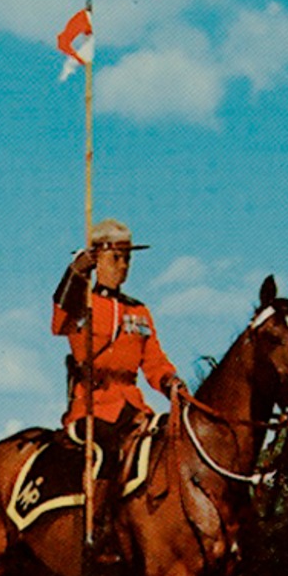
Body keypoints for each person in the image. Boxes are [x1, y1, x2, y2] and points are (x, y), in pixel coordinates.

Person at [51, 219, 184, 554]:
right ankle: (98, 530)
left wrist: (170, 381)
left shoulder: (138, 311)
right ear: (98, 259)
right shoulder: (83, 303)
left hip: (132, 405)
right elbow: (59, 324)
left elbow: (153, 360)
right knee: (108, 451)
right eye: (116, 258)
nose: (124, 266)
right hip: (93, 406)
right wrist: (74, 274)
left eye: (128, 259)